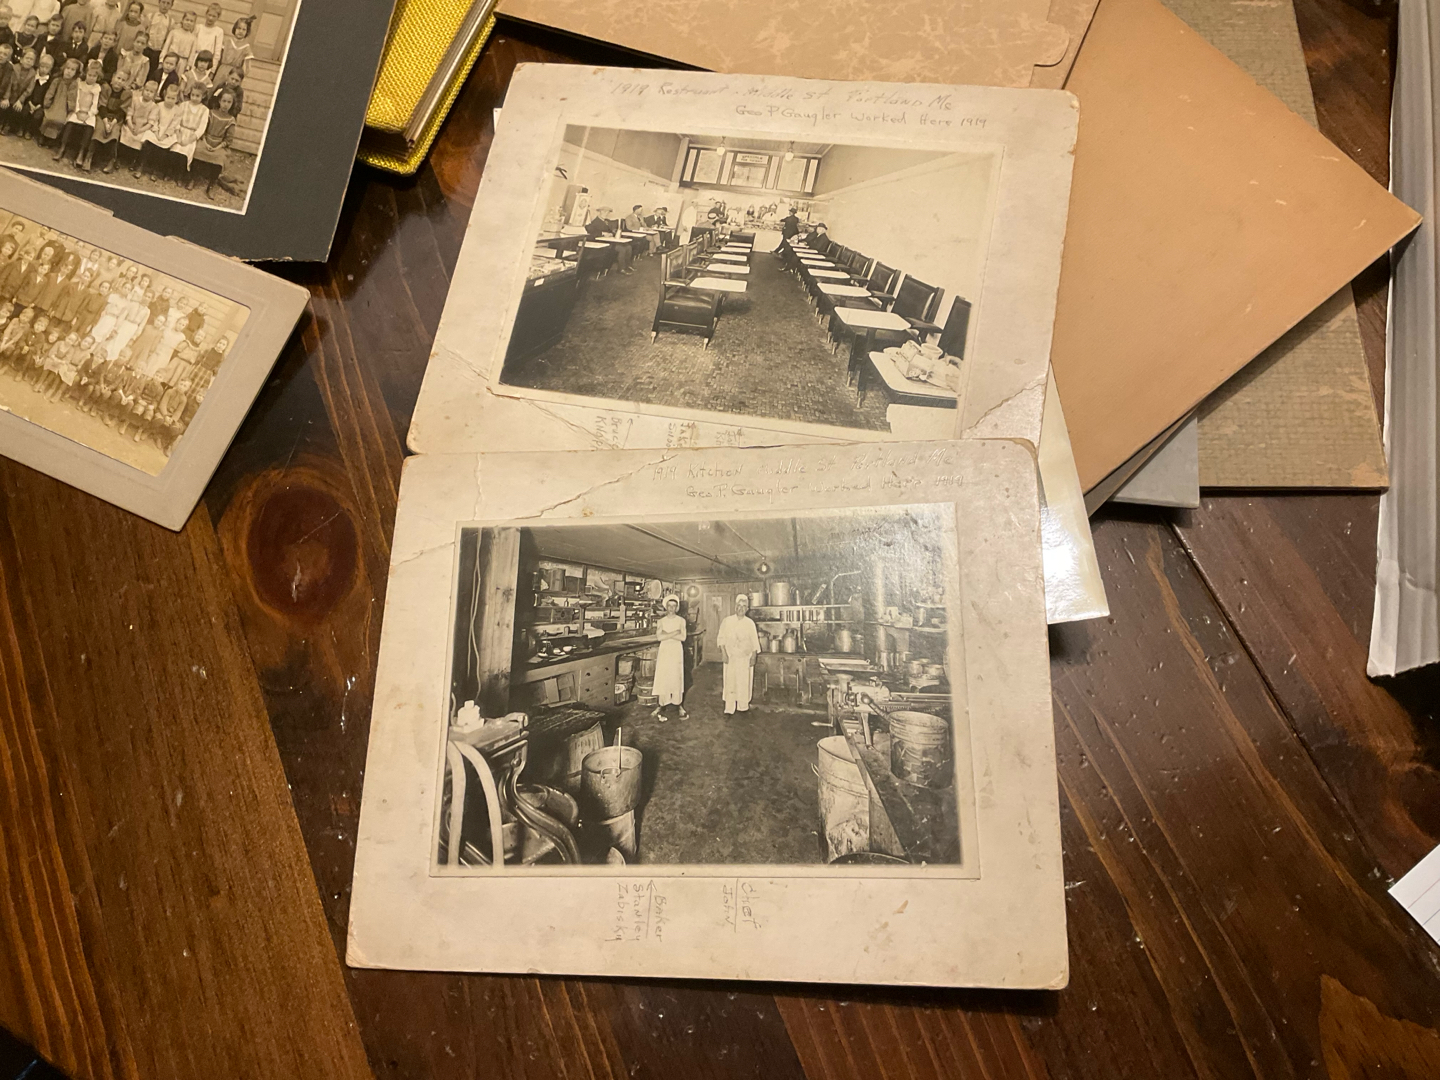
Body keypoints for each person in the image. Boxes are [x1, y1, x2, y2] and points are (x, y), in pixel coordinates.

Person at [716, 594, 761, 716]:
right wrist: (724, 653)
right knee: (730, 682)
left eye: (744, 606)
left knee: (744, 682)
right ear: (735, 607)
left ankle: (743, 706)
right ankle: (729, 708)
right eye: (739, 606)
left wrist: (753, 656)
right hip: (731, 657)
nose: (741, 608)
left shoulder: (750, 623)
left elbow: (754, 641)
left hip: (745, 658)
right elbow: (721, 638)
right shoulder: (727, 621)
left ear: (747, 609)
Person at [652, 594, 688, 722]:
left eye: (674, 606)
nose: (671, 608)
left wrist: (666, 634)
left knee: (676, 677)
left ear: (677, 607)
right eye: (669, 606)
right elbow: (659, 637)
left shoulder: (681, 621)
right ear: (666, 607)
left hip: (676, 651)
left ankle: (679, 705)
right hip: (665, 651)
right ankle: (662, 704)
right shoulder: (661, 621)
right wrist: (675, 632)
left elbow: (683, 637)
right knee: (664, 677)